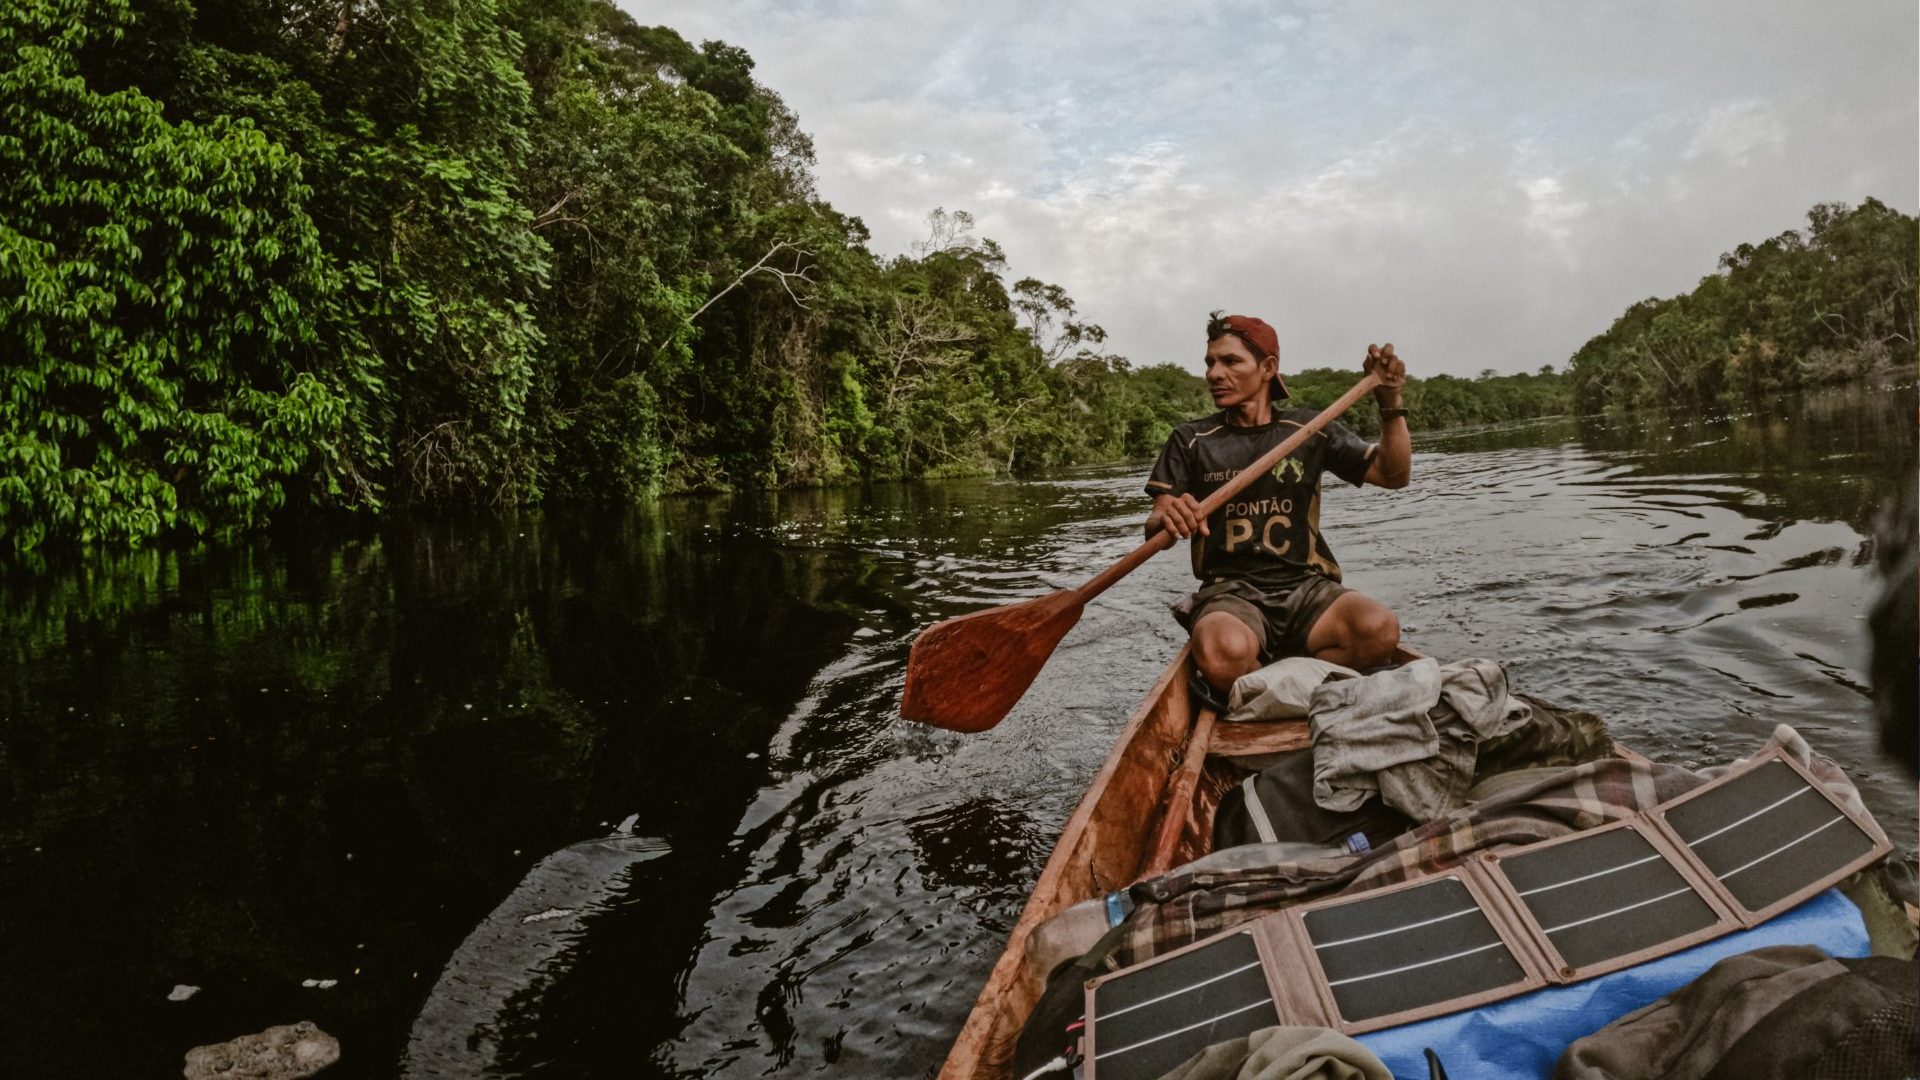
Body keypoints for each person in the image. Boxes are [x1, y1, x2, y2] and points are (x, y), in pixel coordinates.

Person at [1144, 311, 1410, 703]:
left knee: (1379, 629)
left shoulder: (1309, 429)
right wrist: (1168, 516)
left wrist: (1390, 401)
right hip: (1231, 595)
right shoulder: (1192, 439)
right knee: (1222, 654)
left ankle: (1269, 683)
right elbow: (1156, 526)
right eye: (1210, 362)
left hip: (1306, 587)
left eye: (1231, 361)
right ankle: (1295, 677)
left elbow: (1393, 474)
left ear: (1268, 368)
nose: (1214, 374)